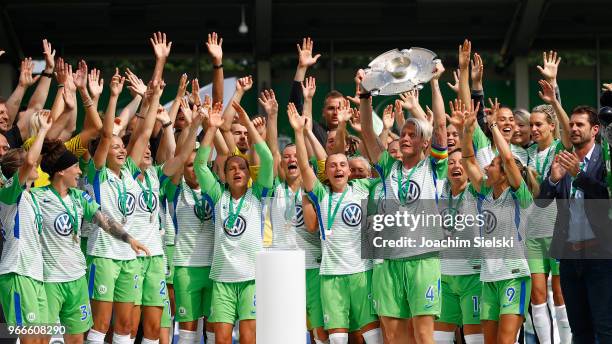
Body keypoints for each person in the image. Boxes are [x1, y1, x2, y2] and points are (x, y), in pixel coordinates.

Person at [361, 60, 448, 343]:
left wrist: (434, 83)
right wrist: (364, 94)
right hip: (387, 263)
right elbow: (366, 132)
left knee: (423, 338)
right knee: (395, 338)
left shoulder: (433, 168)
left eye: (413, 135)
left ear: (425, 143)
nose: (406, 138)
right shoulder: (389, 168)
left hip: (422, 260)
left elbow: (441, 125)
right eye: (404, 134)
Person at [36, 140, 148, 344]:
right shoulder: (37, 197)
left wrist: (129, 239)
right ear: (61, 171)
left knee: (77, 339)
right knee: (46, 338)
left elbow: (105, 221)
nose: (80, 171)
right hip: (50, 278)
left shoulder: (80, 197)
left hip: (77, 277)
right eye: (75, 167)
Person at [290, 102, 383, 344]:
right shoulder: (320, 195)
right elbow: (303, 166)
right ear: (326, 172)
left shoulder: (363, 187)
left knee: (373, 337)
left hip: (363, 272)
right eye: (332, 166)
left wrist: (363, 129)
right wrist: (299, 133)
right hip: (330, 276)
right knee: (338, 339)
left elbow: (383, 166)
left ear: (350, 171)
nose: (338, 168)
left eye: (343, 165)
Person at [194, 101, 273, 344]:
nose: (237, 171)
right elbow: (199, 165)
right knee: (222, 340)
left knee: (249, 339)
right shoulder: (218, 196)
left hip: (251, 278)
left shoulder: (257, 195)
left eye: (242, 168)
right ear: (224, 176)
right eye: (231, 169)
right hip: (222, 279)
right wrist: (211, 128)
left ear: (249, 174)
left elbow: (268, 159)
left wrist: (248, 124)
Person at [461, 99, 537, 344]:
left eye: (493, 165)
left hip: (514, 276)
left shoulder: (519, 194)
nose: (487, 167)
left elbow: (505, 155)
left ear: (505, 171)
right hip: (489, 278)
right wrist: (467, 132)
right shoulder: (484, 194)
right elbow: (468, 160)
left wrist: (493, 124)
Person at [536, 105, 612, 344]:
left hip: (600, 256)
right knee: (579, 329)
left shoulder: (604, 160)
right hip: (570, 257)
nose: (574, 129)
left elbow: (605, 196)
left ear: (595, 129)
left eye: (580, 125)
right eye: (571, 125)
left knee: (605, 327)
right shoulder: (564, 159)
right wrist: (552, 179)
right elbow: (541, 205)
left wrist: (579, 175)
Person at [525, 80, 572, 344]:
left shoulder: (560, 148)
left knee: (560, 293)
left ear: (551, 126)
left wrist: (554, 100)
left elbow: (568, 130)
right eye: (531, 125)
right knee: (537, 296)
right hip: (533, 232)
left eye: (538, 124)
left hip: (558, 229)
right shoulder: (527, 153)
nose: (533, 129)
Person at [0, 110, 52, 344]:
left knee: (42, 339)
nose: (36, 164)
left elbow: (34, 159)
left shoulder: (32, 196)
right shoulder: (9, 194)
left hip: (34, 274)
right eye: (30, 162)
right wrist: (41, 130)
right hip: (17, 272)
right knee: (27, 339)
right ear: (19, 170)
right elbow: (31, 160)